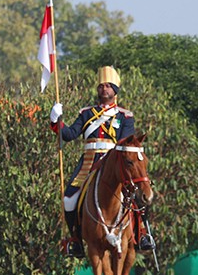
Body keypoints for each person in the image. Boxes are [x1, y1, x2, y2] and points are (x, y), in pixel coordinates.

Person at [50, 66, 155, 258]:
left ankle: (141, 235)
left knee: (136, 196)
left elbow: (125, 142)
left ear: (115, 90)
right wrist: (56, 121)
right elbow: (69, 135)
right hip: (88, 162)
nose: (104, 88)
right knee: (68, 198)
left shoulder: (125, 116)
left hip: (114, 164)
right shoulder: (87, 113)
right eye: (101, 85)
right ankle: (75, 240)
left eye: (108, 86)